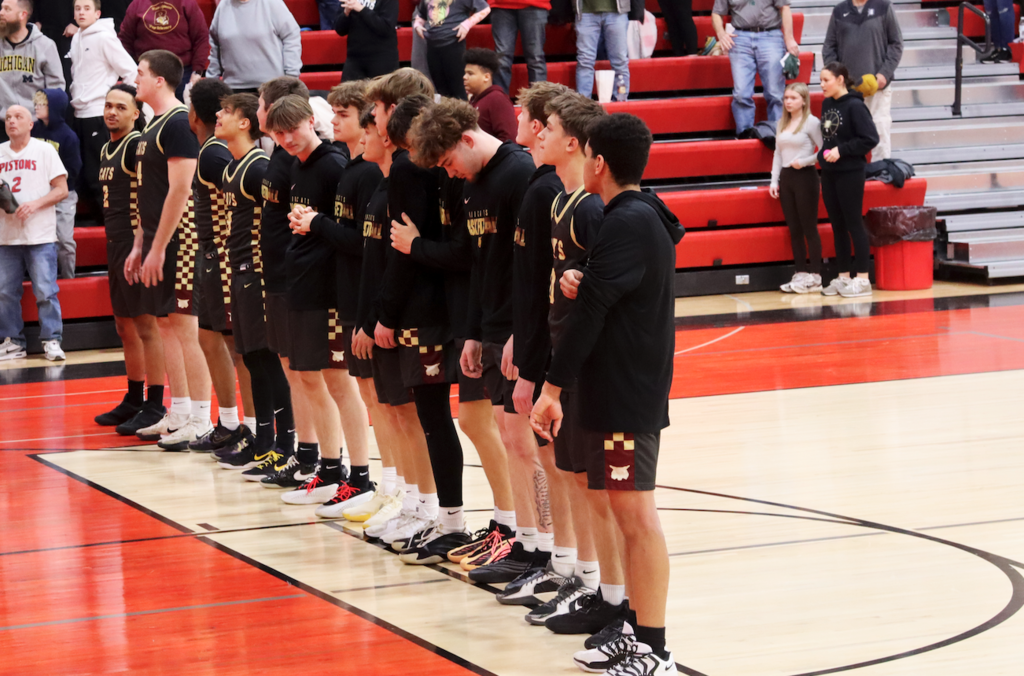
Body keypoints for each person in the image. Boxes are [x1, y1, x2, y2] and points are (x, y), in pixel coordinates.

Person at [531, 112, 684, 676]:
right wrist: (584, 279)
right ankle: (636, 630)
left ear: (598, 162)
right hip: (615, 387)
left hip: (625, 392)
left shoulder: (627, 220)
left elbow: (592, 312)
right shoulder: (637, 217)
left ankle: (656, 650)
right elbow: (608, 290)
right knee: (624, 517)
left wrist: (552, 388)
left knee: (637, 518)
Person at [407, 97, 555, 577]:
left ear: (467, 139)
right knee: (511, 440)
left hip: (516, 330)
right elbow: (477, 268)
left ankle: (549, 547)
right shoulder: (472, 185)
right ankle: (526, 545)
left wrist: (519, 332)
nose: (450, 173)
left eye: (450, 161)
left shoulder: (519, 176)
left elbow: (528, 270)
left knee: (526, 445)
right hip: (489, 327)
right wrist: (472, 333)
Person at [369, 76, 468, 552]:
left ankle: (446, 520)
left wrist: (386, 314)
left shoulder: (410, 170)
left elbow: (404, 250)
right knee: (429, 416)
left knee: (432, 416)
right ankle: (432, 512)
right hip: (435, 304)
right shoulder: (434, 170)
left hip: (423, 309)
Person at [289, 80, 389, 518]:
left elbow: (362, 242)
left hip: (346, 295)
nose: (333, 120)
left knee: (362, 393)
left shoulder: (363, 171)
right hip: (336, 291)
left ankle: (365, 478)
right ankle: (343, 473)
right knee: (346, 387)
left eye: (343, 114)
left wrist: (317, 224)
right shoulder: (351, 166)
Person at [268, 93, 373, 511]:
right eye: (279, 133)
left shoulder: (332, 164)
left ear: (313, 121)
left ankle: (359, 475)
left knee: (336, 380)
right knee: (308, 376)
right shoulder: (297, 165)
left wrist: (316, 224)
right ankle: (329, 470)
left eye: (293, 128)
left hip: (329, 289)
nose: (288, 138)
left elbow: (344, 232)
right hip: (304, 283)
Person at [127, 49, 215, 445]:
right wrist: (141, 243)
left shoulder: (178, 123)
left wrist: (160, 246)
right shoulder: (151, 125)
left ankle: (202, 417)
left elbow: (181, 189)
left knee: (184, 326)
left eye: (140, 73)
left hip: (181, 240)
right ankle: (178, 412)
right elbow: (151, 193)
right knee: (166, 325)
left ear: (159, 79)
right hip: (158, 238)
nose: (135, 79)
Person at [212, 93, 297, 474]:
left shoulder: (258, 166)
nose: (218, 115)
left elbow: (278, 222)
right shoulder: (232, 167)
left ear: (246, 122)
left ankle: (285, 441)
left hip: (259, 273)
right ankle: (263, 439)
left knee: (266, 357)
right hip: (240, 270)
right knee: (251, 358)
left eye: (226, 112)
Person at [176, 77, 255, 454]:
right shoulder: (208, 149)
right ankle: (227, 421)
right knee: (209, 336)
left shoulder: (214, 153)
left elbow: (237, 201)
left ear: (193, 113)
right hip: (211, 253)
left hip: (225, 254)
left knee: (238, 346)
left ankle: (254, 428)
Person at [92, 84, 170, 432]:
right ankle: (134, 397)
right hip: (115, 242)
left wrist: (142, 244)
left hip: (134, 242)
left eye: (121, 107)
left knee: (146, 324)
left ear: (136, 114)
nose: (112, 112)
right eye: (108, 105)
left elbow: (152, 195)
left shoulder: (135, 146)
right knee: (124, 326)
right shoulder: (106, 148)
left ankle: (156, 403)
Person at [0, 105, 68, 362]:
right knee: (5, 292)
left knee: (45, 290)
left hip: (40, 235)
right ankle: (12, 342)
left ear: (31, 124)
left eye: (18, 117)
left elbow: (61, 190)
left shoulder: (45, 150)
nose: (12, 121)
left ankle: (52, 340)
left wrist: (34, 204)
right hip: (6, 236)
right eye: (8, 118)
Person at [67, 0, 138, 214]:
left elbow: (131, 71)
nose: (81, 13)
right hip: (79, 113)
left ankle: (114, 223)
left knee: (99, 175)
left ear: (97, 13)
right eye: (78, 9)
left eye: (86, 9)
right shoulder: (77, 37)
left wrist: (119, 104)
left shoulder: (106, 38)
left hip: (98, 113)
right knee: (85, 175)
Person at [818, 61, 878, 299]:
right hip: (830, 173)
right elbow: (828, 138)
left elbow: (870, 138)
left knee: (854, 223)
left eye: (826, 80)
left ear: (840, 80)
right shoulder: (826, 104)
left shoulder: (855, 106)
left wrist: (842, 151)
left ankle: (862, 279)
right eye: (820, 80)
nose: (822, 85)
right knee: (837, 225)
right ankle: (843, 276)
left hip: (851, 171)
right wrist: (824, 156)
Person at [821, 0, 903, 160]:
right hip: (848, 91)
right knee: (848, 135)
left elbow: (896, 44)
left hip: (877, 88)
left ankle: (881, 173)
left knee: (880, 131)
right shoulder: (839, 10)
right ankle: (852, 175)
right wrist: (838, 79)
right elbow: (829, 48)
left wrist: (884, 74)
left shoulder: (884, 7)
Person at [712, 0, 800, 136]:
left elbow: (785, 8)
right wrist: (721, 34)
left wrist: (789, 39)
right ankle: (744, 136)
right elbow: (716, 13)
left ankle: (779, 136)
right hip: (740, 37)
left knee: (775, 92)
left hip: (770, 34)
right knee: (741, 93)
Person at [769, 82, 823, 294]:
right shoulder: (782, 122)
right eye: (786, 98)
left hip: (805, 176)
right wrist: (774, 180)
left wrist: (807, 160)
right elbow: (777, 153)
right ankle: (800, 272)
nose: (788, 102)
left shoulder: (812, 122)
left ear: (803, 100)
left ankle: (816, 275)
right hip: (787, 177)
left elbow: (825, 150)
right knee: (794, 229)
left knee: (809, 227)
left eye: (793, 98)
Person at [31, 89, 81, 279]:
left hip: (64, 195)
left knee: (65, 240)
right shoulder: (33, 129)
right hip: (37, 192)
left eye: (42, 104)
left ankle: (69, 278)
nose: (37, 107)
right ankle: (43, 277)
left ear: (54, 108)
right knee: (38, 241)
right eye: (36, 103)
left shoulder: (68, 136)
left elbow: (74, 169)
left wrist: (55, 182)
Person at [119, 0, 209, 100]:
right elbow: (125, 39)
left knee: (181, 113)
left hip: (182, 73)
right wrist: (132, 69)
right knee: (147, 113)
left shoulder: (187, 3)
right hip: (147, 72)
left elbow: (201, 38)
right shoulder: (137, 4)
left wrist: (197, 72)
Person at [206, 0, 302, 93]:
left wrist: (291, 76)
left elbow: (291, 36)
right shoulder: (223, 6)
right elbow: (215, 47)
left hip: (272, 88)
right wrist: (211, 80)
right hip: (233, 88)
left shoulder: (272, 3)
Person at [0, 0, 66, 126]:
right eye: (1, 8)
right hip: (3, 123)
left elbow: (56, 89)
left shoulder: (45, 45)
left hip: (35, 124)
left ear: (22, 15)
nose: (1, 13)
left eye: (7, 9)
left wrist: (43, 116)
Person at [413, 0, 490, 99]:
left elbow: (485, 9)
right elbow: (421, 15)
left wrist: (466, 25)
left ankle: (462, 112)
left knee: (458, 88)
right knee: (441, 88)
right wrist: (417, 25)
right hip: (432, 47)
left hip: (453, 45)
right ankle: (447, 112)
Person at [574, 0, 630, 102]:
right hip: (585, 11)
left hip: (617, 11)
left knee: (620, 61)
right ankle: (582, 107)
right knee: (585, 61)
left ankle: (620, 102)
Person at [488, 0, 549, 93]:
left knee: (535, 58)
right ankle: (499, 101)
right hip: (500, 5)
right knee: (501, 58)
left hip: (535, 4)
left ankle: (538, 103)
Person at [333, 0, 400, 81]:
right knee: (347, 92)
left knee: (381, 93)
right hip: (354, 58)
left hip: (382, 58)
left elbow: (386, 28)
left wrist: (362, 9)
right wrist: (346, 14)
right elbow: (339, 29)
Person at [463, 48, 517, 142]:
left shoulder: (497, 99)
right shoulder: (475, 99)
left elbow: (509, 139)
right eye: (465, 73)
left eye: (470, 74)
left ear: (486, 77)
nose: (464, 77)